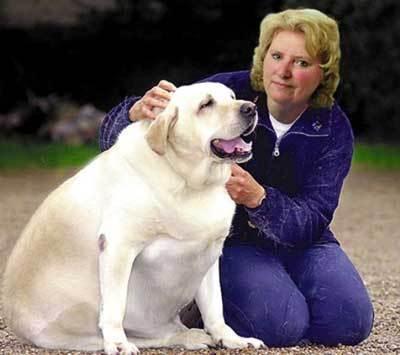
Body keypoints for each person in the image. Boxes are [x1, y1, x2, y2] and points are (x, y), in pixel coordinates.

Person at [99, 8, 374, 347]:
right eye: (276, 56)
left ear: (324, 72)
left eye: (301, 63)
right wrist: (131, 114)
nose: (283, 72)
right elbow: (117, 137)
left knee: (351, 322)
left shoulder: (334, 128)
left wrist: (259, 199)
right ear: (263, 56)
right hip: (231, 242)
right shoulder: (224, 91)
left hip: (304, 240)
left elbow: (314, 216)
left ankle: (263, 295)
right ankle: (209, 301)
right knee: (282, 324)